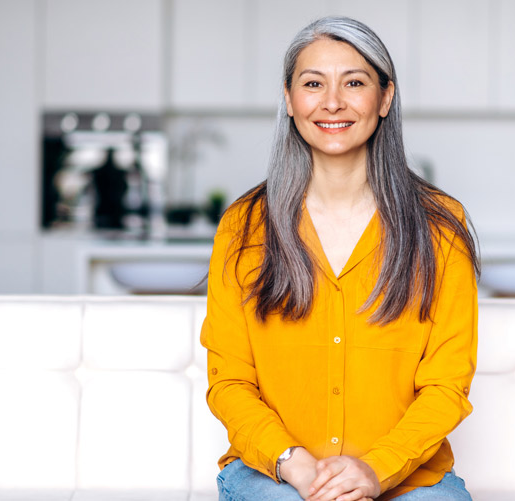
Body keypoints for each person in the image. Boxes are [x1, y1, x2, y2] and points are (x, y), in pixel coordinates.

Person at [200, 16, 479, 501]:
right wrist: (295, 463)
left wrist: (376, 469)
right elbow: (230, 381)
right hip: (277, 475)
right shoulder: (243, 227)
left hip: (407, 477)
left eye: (354, 82)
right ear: (289, 99)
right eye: (313, 84)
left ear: (385, 98)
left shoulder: (441, 228)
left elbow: (446, 385)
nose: (332, 102)